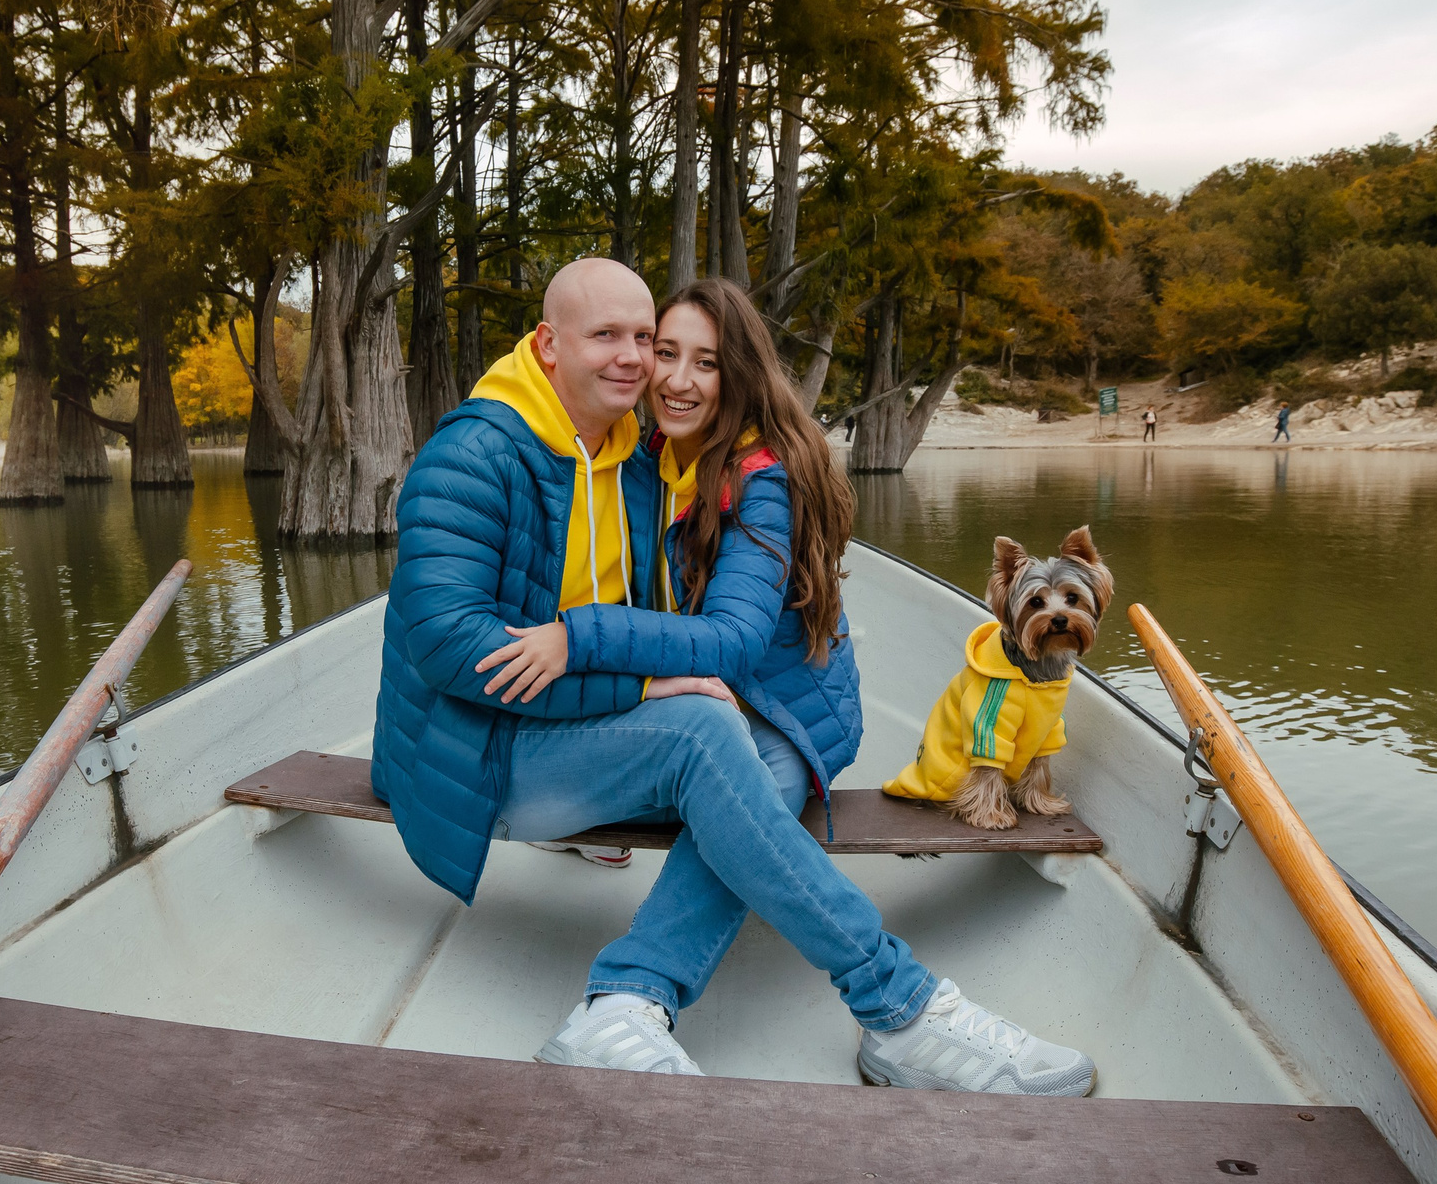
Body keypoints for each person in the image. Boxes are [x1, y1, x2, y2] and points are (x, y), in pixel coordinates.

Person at [374, 258, 1096, 1095]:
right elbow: (446, 646)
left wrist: (600, 657)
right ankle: (901, 1006)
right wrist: (633, 685)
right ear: (546, 345)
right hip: (463, 758)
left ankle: (626, 1001)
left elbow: (722, 637)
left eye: (649, 342)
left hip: (613, 720)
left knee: (747, 763)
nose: (647, 366)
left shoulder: (644, 454)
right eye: (618, 338)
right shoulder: (475, 455)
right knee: (705, 737)